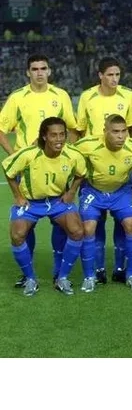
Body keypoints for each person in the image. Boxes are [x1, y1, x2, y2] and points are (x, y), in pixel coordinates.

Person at [0, 54, 78, 287]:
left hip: (56, 165)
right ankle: (28, 274)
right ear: (28, 72)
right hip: (28, 168)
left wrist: (67, 154)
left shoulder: (60, 95)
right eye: (34, 69)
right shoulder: (18, 97)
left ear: (49, 71)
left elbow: (73, 128)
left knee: (60, 220)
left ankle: (58, 272)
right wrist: (14, 155)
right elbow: (1, 128)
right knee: (27, 221)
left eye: (43, 68)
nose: (39, 72)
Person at [2, 117, 86, 296]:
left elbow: (81, 174)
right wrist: (18, 196)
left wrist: (71, 192)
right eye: (54, 135)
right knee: (17, 235)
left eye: (62, 134)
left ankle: (62, 278)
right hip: (31, 203)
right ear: (44, 136)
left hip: (57, 202)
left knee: (77, 231)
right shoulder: (29, 154)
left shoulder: (73, 155)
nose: (59, 139)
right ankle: (30, 279)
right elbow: (9, 171)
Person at [75, 115, 132, 292]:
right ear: (105, 132)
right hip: (94, 192)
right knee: (88, 228)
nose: (121, 136)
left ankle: (131, 275)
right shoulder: (88, 144)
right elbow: (67, 155)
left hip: (121, 192)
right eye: (115, 132)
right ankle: (90, 276)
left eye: (124, 131)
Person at [76, 57, 132, 284]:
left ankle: (121, 269)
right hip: (95, 163)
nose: (114, 79)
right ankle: (98, 270)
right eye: (110, 74)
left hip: (120, 165)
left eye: (117, 74)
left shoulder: (128, 95)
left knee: (125, 222)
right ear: (100, 75)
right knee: (95, 221)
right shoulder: (87, 97)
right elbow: (80, 130)